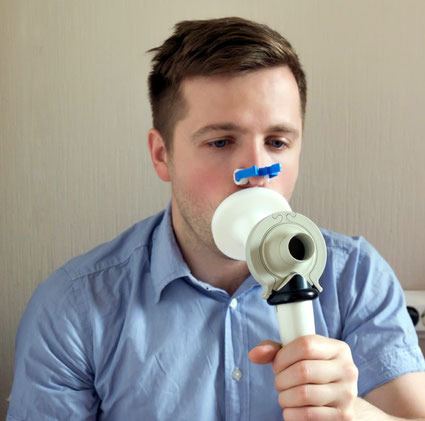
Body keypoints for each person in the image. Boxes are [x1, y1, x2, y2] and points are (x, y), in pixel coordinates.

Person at [7, 17, 425, 421]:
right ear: (162, 155)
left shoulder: (354, 277)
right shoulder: (75, 308)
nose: (258, 171)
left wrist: (356, 415)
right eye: (222, 141)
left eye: (277, 141)